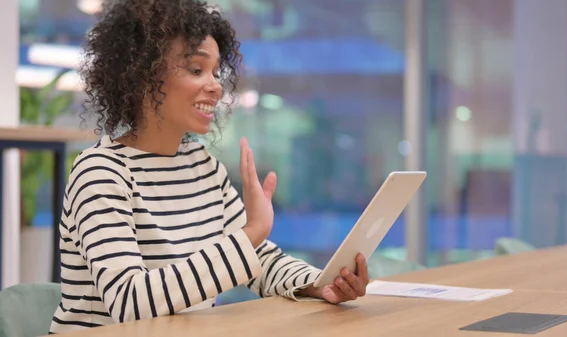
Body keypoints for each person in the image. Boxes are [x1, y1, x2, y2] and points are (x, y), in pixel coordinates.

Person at [49, 0, 369, 334]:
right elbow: (131, 302)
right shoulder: (100, 173)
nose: (216, 85)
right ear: (143, 75)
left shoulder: (203, 167)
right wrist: (252, 232)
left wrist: (320, 284)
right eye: (196, 69)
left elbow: (260, 261)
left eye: (217, 72)